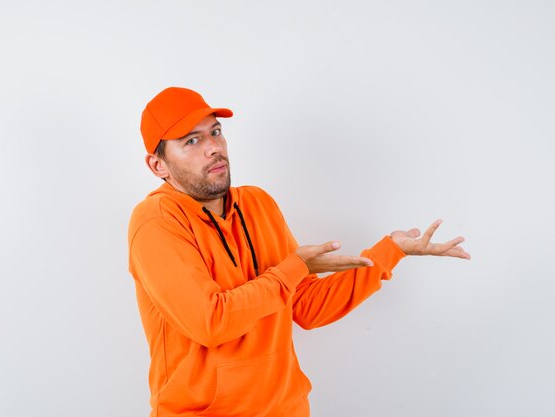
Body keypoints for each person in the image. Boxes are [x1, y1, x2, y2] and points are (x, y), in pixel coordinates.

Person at [128, 87, 470, 417]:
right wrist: (293, 268)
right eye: (192, 141)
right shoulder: (156, 222)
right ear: (158, 166)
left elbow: (305, 305)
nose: (213, 148)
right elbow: (210, 322)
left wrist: (390, 252)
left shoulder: (258, 204)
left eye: (215, 132)